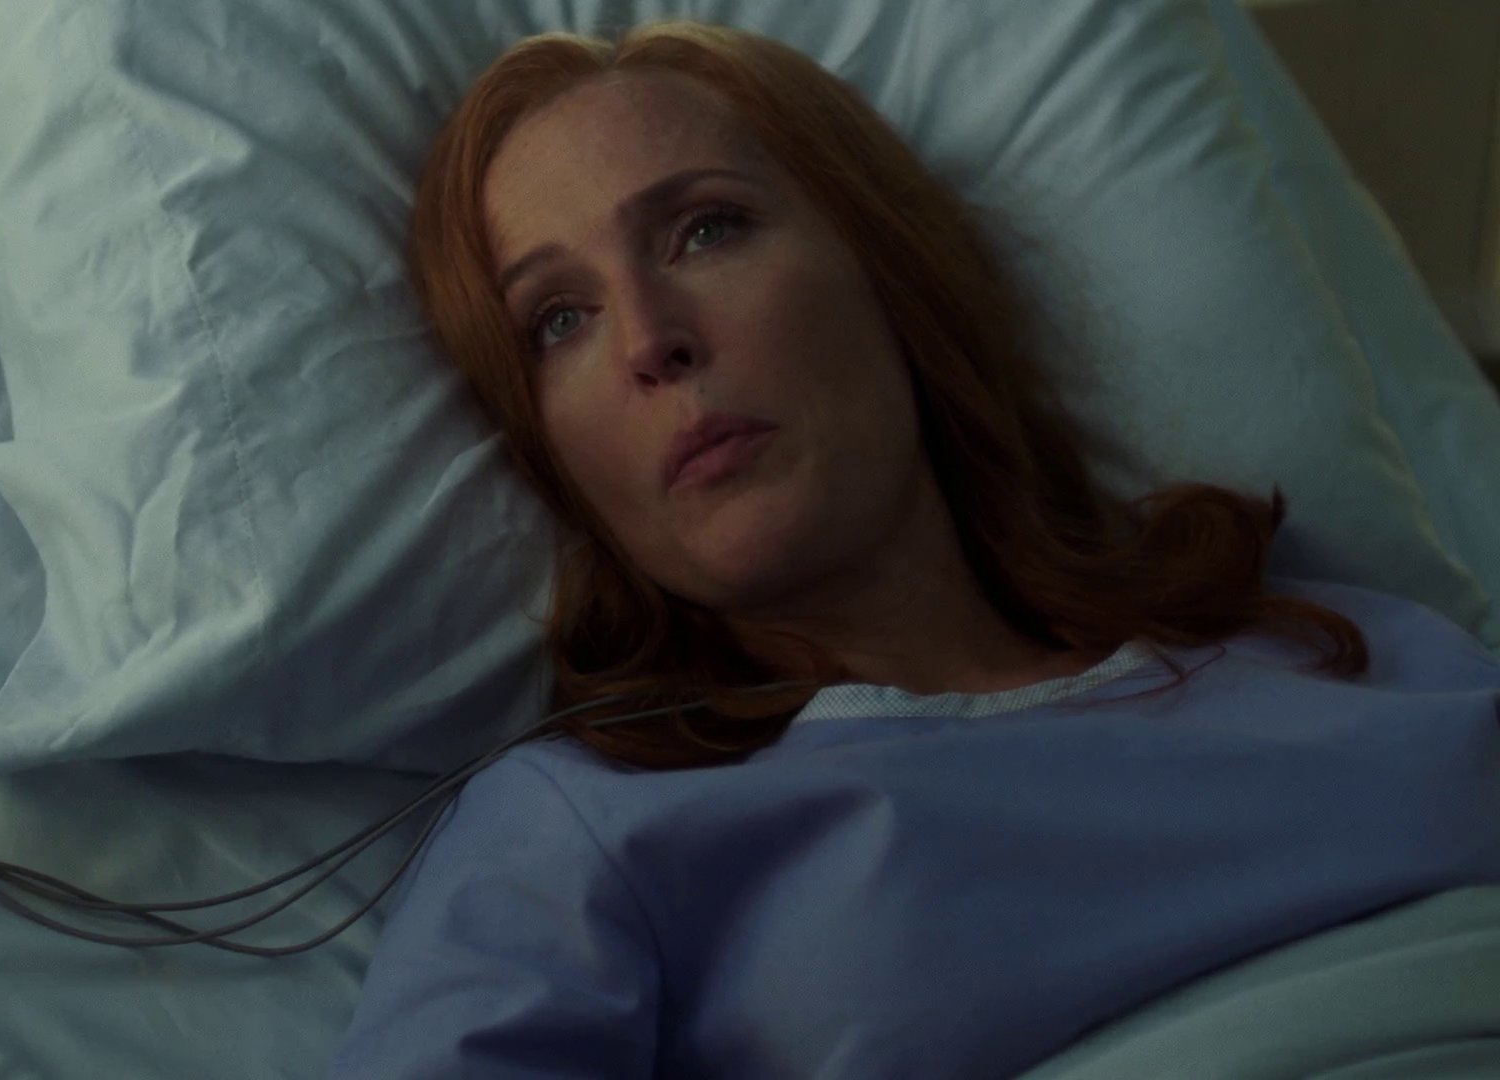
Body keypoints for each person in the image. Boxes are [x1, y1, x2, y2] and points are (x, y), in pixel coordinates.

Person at [328, 17, 1500, 1079]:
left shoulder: (1345, 647)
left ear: (889, 271)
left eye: (706, 229)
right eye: (558, 320)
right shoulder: (580, 837)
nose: (648, 339)